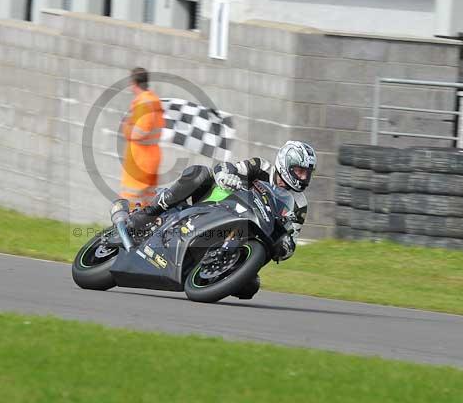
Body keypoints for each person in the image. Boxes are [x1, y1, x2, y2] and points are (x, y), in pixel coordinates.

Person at [127, 140, 317, 263]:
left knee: (250, 288)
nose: (303, 177)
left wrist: (285, 247)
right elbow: (226, 166)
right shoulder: (261, 167)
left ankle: (224, 265)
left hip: (246, 232)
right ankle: (149, 213)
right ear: (286, 164)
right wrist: (225, 175)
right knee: (200, 174)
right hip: (219, 202)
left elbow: (291, 237)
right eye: (299, 171)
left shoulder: (300, 204)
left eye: (307, 173)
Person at [119, 68, 164, 209]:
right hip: (151, 156)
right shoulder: (154, 100)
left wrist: (126, 126)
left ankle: (128, 229)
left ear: (134, 83)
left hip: (139, 159)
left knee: (131, 200)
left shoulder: (143, 103)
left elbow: (139, 133)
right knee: (148, 201)